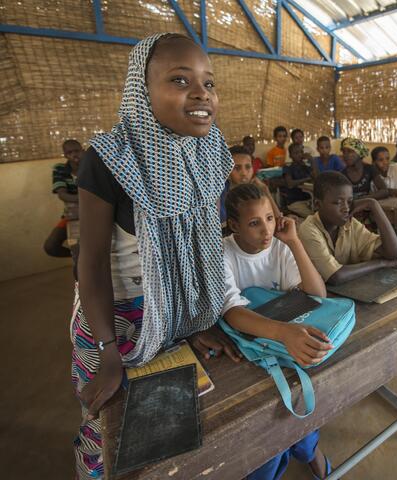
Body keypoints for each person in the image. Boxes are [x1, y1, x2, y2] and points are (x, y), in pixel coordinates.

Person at [72, 33, 242, 479]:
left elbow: (199, 247)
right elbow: (89, 264)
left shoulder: (209, 152)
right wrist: (109, 353)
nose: (201, 93)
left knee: (172, 432)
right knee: (112, 433)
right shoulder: (109, 159)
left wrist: (194, 322)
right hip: (115, 316)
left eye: (209, 83)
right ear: (141, 90)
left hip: (177, 314)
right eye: (180, 80)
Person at [221, 183, 332, 479]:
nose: (266, 230)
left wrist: (294, 242)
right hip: (249, 351)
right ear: (234, 225)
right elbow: (232, 312)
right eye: (254, 223)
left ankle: (309, 452)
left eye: (270, 218)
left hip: (285, 347)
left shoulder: (280, 247)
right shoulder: (223, 254)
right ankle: (305, 455)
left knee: (297, 403)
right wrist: (283, 332)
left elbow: (317, 293)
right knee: (268, 427)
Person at [298, 171, 397, 285]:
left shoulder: (350, 224)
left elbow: (394, 253)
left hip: (348, 291)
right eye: (338, 202)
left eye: (349, 202)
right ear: (318, 204)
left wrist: (373, 205)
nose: (346, 209)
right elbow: (335, 276)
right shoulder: (308, 229)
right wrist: (382, 263)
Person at [44, 139, 84, 258]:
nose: (74, 155)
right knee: (51, 247)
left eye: (77, 151)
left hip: (94, 213)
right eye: (69, 152)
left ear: (83, 151)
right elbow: (62, 195)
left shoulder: (91, 166)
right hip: (72, 215)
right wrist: (87, 200)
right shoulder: (60, 169)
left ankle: (83, 259)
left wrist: (77, 199)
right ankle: (80, 257)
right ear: (65, 155)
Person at [220, 145, 280, 223]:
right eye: (237, 168)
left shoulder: (256, 189)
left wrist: (265, 190)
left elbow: (278, 220)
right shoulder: (221, 192)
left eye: (248, 167)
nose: (244, 173)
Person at [281, 143, 313, 218]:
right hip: (294, 201)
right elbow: (290, 184)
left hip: (308, 200)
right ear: (290, 156)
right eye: (296, 153)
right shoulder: (288, 167)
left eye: (301, 152)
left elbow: (316, 177)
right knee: (312, 216)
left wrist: (312, 161)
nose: (300, 155)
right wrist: (306, 179)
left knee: (319, 213)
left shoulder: (305, 166)